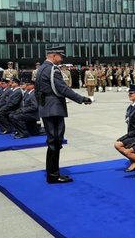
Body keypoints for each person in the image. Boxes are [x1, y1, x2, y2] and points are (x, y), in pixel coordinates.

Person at [35, 45, 92, 184]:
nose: (61, 59)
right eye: (61, 56)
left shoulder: (41, 68)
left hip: (46, 107)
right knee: (55, 141)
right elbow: (62, 88)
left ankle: (52, 173)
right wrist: (81, 98)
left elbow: (37, 91)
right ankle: (53, 176)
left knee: (52, 141)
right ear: (53, 55)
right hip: (54, 108)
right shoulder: (52, 69)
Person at [114, 84, 135, 172]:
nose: (130, 95)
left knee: (118, 145)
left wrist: (128, 136)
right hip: (131, 133)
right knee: (118, 143)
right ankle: (134, 161)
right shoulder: (130, 107)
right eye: (129, 94)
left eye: (132, 93)